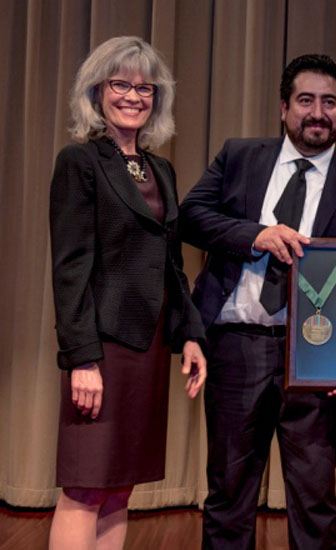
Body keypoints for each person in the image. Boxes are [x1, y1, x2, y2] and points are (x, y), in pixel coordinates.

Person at [180, 53, 336, 550]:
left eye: (330, 103)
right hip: (235, 348)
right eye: (306, 100)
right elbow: (190, 216)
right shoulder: (240, 157)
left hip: (315, 361)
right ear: (283, 107)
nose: (318, 112)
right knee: (228, 496)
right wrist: (257, 235)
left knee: (315, 502)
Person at [48, 36, 207, 550]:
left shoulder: (160, 169)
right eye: (121, 84)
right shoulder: (79, 162)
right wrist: (82, 360)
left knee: (120, 489)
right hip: (103, 347)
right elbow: (70, 268)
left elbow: (171, 265)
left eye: (145, 87)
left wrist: (190, 336)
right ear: (97, 91)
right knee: (84, 489)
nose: (134, 96)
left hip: (148, 347)